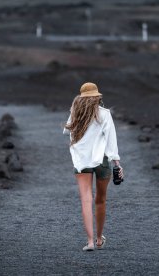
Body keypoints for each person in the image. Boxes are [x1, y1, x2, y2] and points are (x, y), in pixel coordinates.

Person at [63, 82, 123, 251]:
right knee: (101, 199)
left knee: (86, 199)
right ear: (97, 97)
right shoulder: (104, 114)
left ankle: (89, 242)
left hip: (82, 161)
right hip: (102, 159)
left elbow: (70, 134)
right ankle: (98, 239)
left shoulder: (75, 113)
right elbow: (111, 139)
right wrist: (116, 162)